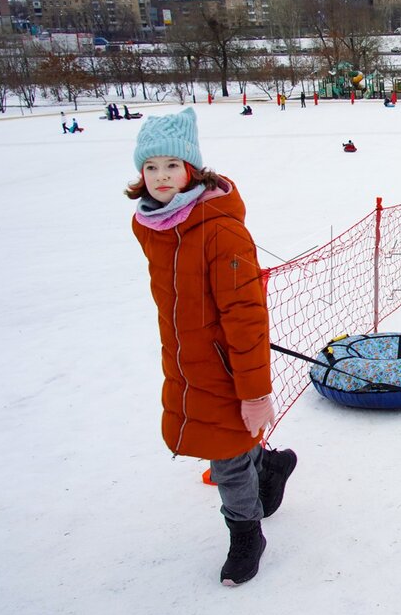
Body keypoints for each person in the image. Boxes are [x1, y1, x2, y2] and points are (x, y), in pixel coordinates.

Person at [126, 108, 298, 587]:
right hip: (185, 360)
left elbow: (246, 315)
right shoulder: (153, 224)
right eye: (151, 167)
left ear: (192, 170)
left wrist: (254, 391)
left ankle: (246, 534)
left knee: (225, 455)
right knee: (224, 441)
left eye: (172, 165)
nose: (161, 176)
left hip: (227, 365)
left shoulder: (222, 231)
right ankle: (270, 465)